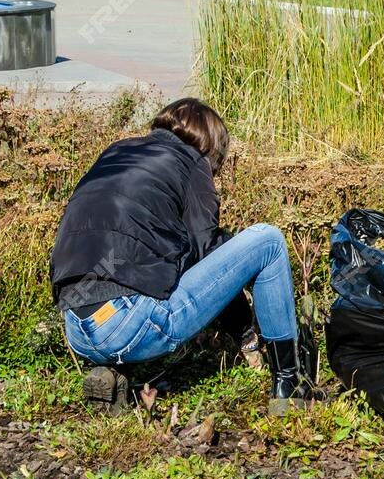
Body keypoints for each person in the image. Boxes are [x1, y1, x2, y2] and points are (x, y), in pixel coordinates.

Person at [50, 98, 307, 413]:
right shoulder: (191, 161)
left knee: (144, 269)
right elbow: (208, 251)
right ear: (210, 146)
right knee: (267, 239)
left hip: (76, 327)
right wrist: (244, 332)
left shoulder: (117, 152)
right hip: (128, 324)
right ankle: (290, 384)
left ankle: (112, 369)